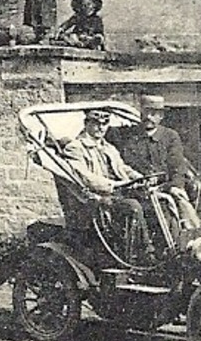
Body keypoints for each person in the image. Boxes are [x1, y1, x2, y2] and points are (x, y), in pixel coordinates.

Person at [62, 108, 151, 264]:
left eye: (105, 123)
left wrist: (139, 178)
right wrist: (114, 185)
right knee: (133, 207)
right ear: (86, 124)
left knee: (160, 202)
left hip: (117, 194)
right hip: (95, 200)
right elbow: (85, 177)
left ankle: (166, 250)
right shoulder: (75, 147)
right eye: (96, 123)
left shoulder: (109, 147)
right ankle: (139, 256)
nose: (101, 127)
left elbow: (123, 168)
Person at [117, 94, 200, 227]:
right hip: (137, 188)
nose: (149, 117)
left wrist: (173, 186)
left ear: (161, 116)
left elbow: (177, 167)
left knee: (177, 207)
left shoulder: (170, 136)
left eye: (154, 113)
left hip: (165, 186)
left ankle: (185, 239)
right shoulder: (128, 136)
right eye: (146, 112)